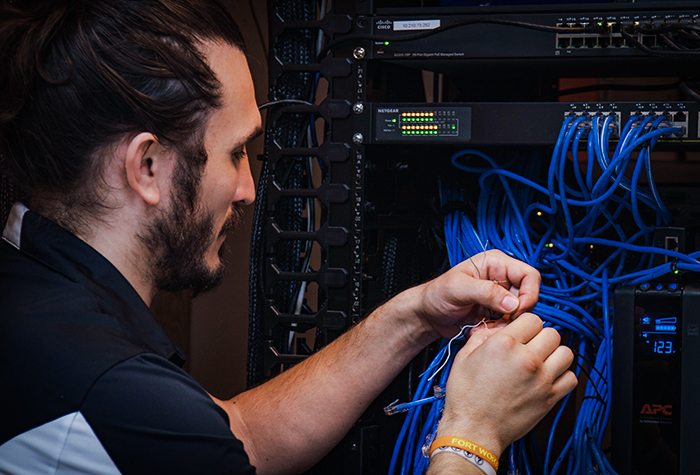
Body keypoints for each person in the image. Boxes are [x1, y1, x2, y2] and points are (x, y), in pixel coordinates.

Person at [0, 1, 577, 474]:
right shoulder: (106, 392)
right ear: (146, 167)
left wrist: (417, 315)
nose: (249, 189)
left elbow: (234, 436)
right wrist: (473, 432)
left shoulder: (38, 307)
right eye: (234, 153)